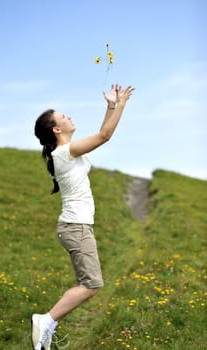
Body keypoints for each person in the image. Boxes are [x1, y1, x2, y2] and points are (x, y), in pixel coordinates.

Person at [31, 83, 134, 349]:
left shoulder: (67, 151)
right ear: (56, 129)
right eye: (63, 117)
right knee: (91, 285)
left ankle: (48, 325)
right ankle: (46, 320)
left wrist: (110, 105)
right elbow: (104, 136)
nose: (69, 117)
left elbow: (101, 135)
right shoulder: (64, 153)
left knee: (88, 284)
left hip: (76, 227)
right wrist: (121, 104)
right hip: (75, 227)